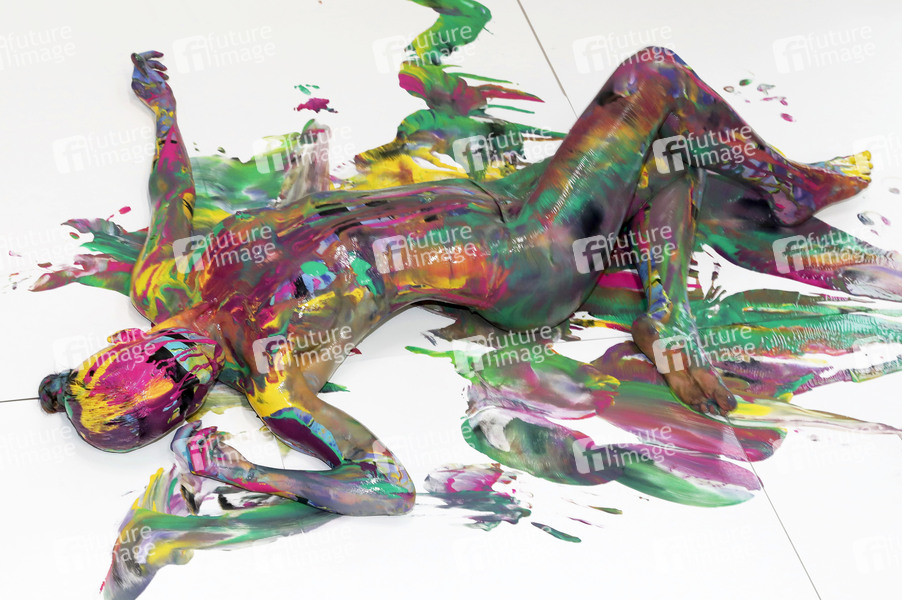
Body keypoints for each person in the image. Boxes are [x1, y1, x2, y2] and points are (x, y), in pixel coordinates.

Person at [39, 48, 871, 517]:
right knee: (653, 80)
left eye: (158, 348)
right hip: (530, 257)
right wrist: (243, 474)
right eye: (184, 375)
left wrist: (165, 111)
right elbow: (386, 488)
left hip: (493, 198)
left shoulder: (165, 277)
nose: (185, 347)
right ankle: (774, 205)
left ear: (131, 338)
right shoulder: (274, 381)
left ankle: (670, 304)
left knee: (668, 158)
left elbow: (172, 192)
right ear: (193, 399)